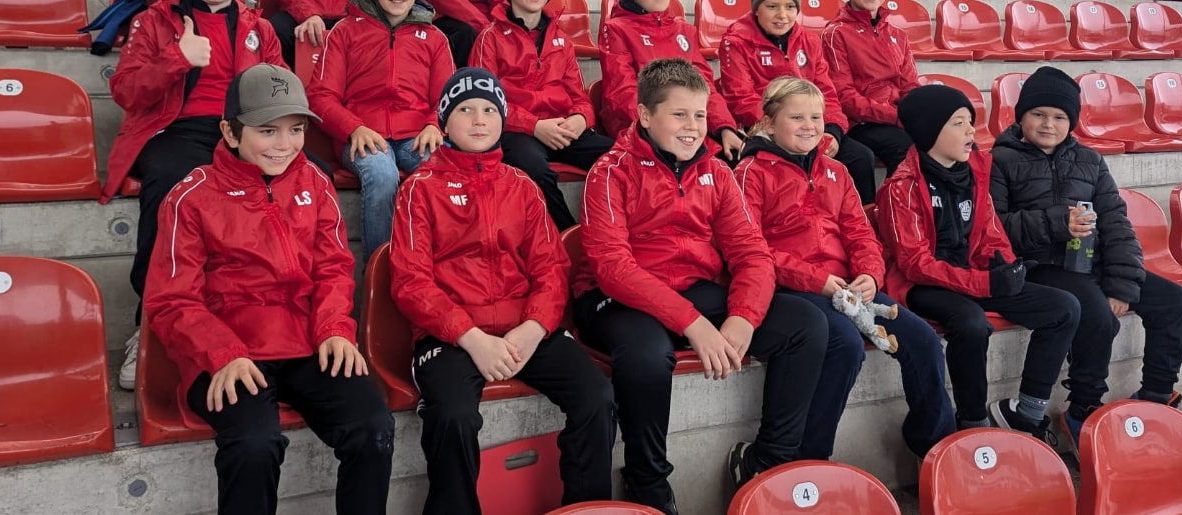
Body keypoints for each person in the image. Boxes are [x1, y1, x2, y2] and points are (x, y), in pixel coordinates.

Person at [575, 58, 828, 514]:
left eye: (699, 115)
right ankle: (647, 481)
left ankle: (768, 461)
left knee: (805, 322)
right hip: (617, 299)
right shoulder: (609, 172)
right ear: (645, 116)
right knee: (648, 356)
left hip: (693, 289)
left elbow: (753, 254)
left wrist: (742, 319)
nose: (693, 127)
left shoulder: (717, 173)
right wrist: (693, 323)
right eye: (679, 114)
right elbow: (613, 267)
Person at [145, 64, 394, 515]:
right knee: (255, 444)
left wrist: (336, 329)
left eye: (295, 129)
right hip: (226, 351)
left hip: (306, 341)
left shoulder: (315, 182)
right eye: (267, 131)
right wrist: (222, 352)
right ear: (230, 131)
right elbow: (171, 301)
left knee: (372, 425)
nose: (285, 145)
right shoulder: (191, 197)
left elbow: (335, 268)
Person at [392, 67, 615, 514]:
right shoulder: (419, 189)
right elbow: (411, 283)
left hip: (525, 329)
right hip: (452, 337)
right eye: (466, 109)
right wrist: (472, 339)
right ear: (444, 122)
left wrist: (533, 328)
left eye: (490, 110)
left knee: (597, 396)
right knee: (453, 415)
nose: (479, 120)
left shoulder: (523, 186)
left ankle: (586, 507)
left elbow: (552, 268)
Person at [101, 0, 285, 391]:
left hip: (240, 131)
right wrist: (178, 59)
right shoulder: (154, 20)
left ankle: (269, 312)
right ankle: (149, 321)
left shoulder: (259, 28)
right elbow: (124, 92)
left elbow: (282, 87)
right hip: (174, 130)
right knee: (171, 190)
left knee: (304, 181)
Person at [735, 76, 954, 461]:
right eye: (797, 117)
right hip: (791, 290)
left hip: (848, 288)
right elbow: (753, 248)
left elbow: (860, 234)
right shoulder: (750, 172)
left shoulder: (836, 171)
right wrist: (817, 281)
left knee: (921, 340)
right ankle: (810, 458)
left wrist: (870, 274)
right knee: (846, 346)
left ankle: (933, 447)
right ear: (769, 123)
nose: (809, 126)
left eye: (816, 117)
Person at [989, 66, 1182, 448]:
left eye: (1059, 117)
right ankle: (1084, 408)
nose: (1048, 124)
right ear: (1021, 116)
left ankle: (1155, 397)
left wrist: (1121, 284)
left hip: (1091, 264)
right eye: (1038, 114)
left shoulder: (1091, 160)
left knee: (1176, 302)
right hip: (1040, 267)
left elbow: (1116, 224)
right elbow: (995, 228)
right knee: (1096, 313)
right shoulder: (999, 160)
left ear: (1072, 122)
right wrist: (1056, 223)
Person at [875, 83, 1080, 439]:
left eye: (970, 121)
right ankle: (973, 424)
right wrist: (984, 283)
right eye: (959, 123)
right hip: (922, 285)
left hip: (972, 274)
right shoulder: (901, 187)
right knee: (970, 323)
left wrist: (1006, 265)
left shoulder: (977, 170)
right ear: (930, 131)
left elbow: (989, 231)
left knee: (1064, 307)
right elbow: (914, 263)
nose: (972, 131)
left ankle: (1027, 412)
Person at [307, 0, 454, 262]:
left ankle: (438, 266)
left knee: (444, 174)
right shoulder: (345, 31)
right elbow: (320, 96)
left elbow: (447, 99)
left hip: (417, 134)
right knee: (382, 175)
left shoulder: (434, 38)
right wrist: (353, 128)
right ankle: (381, 270)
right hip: (362, 133)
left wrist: (435, 126)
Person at [472, 0, 611, 231]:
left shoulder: (562, 39)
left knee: (619, 157)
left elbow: (579, 97)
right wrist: (534, 126)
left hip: (562, 127)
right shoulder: (490, 38)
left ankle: (607, 230)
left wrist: (581, 119)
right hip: (516, 131)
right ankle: (568, 239)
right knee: (535, 170)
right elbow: (485, 104)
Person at [720, 0, 878, 202]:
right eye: (772, 6)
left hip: (809, 127)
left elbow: (827, 94)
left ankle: (863, 226)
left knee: (861, 157)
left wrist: (832, 130)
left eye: (790, 7)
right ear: (756, 8)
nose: (782, 15)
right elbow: (741, 99)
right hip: (767, 129)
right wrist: (786, 129)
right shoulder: (736, 42)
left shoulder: (809, 41)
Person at [597, 0, 743, 160]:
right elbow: (622, 92)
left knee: (733, 155)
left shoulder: (684, 30)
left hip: (686, 124)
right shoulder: (616, 29)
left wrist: (724, 128)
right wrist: (661, 127)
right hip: (642, 126)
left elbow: (703, 87)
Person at [821, 0, 917, 175]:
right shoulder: (836, 33)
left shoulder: (898, 35)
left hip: (897, 118)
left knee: (952, 141)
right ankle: (896, 207)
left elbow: (910, 87)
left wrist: (914, 114)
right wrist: (894, 116)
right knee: (905, 148)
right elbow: (844, 96)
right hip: (861, 123)